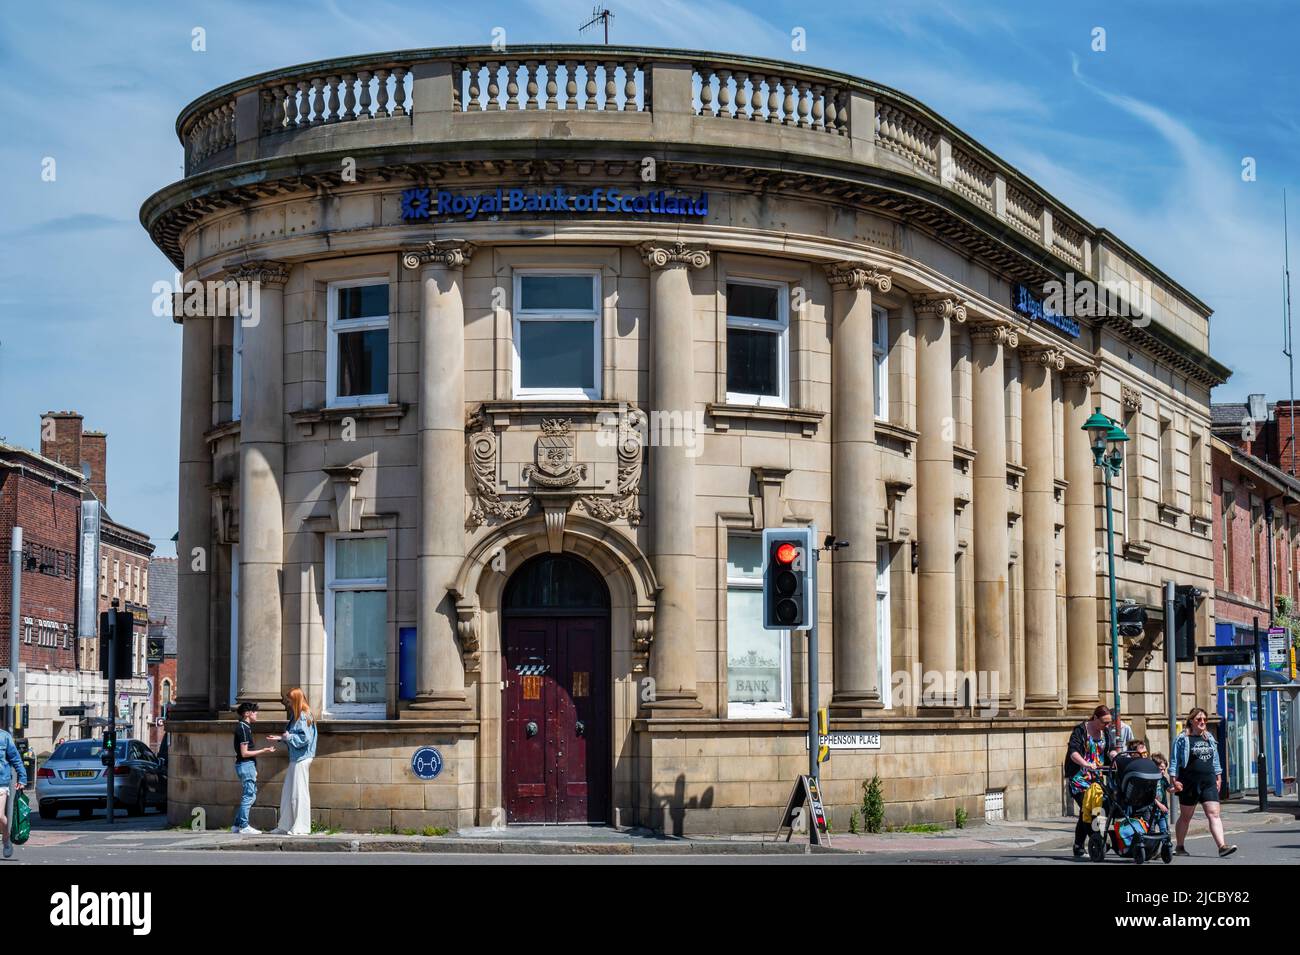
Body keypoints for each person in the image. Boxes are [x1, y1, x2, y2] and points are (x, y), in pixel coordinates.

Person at [1171, 707, 1236, 858]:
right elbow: (1174, 760)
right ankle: (1180, 846)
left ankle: (1222, 846)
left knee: (1214, 814)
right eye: (1199, 719)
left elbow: (1215, 759)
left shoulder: (1209, 737)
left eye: (1204, 720)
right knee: (1186, 817)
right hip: (1189, 782)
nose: (1202, 722)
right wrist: (1174, 780)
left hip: (1208, 782)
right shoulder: (1182, 739)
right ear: (1191, 721)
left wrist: (1219, 777)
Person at [267, 688, 317, 835]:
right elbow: (294, 736)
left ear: (296, 700)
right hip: (296, 757)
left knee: (298, 793)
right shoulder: (297, 716)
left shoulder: (303, 716)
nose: (287, 703)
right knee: (289, 792)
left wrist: (288, 737)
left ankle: (300, 827)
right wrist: (281, 738)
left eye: (289, 700)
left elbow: (305, 739)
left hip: (302, 758)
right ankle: (285, 825)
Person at [1064, 705, 1112, 857]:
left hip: (1096, 779)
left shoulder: (1105, 732)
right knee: (1089, 809)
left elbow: (1109, 750)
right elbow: (1073, 752)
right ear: (1095, 718)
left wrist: (1116, 756)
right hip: (1079, 778)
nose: (1107, 725)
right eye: (1104, 722)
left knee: (1098, 809)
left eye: (1109, 722)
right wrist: (1085, 764)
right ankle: (1096, 841)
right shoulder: (1081, 730)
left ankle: (1080, 845)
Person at [233, 702, 275, 834]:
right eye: (254, 712)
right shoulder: (244, 728)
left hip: (246, 765)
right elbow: (244, 753)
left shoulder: (244, 727)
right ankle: (244, 826)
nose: (257, 714)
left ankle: (236, 825)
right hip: (246, 765)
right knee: (249, 795)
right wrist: (264, 750)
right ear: (247, 714)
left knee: (249, 794)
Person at [0, 728, 28, 860]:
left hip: (1, 782)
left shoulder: (4, 737)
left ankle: (6, 840)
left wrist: (22, 778)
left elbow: (16, 759)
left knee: (0, 816)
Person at [1151, 752, 1172, 842]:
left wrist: (1177, 788)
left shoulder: (1163, 779)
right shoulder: (1150, 780)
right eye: (1160, 769)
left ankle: (1166, 850)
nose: (1163, 772)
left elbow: (1169, 789)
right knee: (1150, 832)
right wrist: (1160, 805)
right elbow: (1150, 796)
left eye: (1164, 769)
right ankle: (1151, 850)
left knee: (1164, 831)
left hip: (1162, 813)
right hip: (1151, 811)